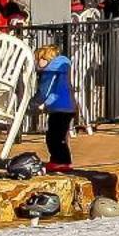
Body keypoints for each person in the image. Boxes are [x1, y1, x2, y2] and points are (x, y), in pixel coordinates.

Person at [36, 43, 75, 171]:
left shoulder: (50, 73)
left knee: (54, 137)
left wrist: (34, 103)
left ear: (47, 59)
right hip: (66, 107)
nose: (37, 62)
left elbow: (45, 91)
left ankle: (62, 160)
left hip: (60, 108)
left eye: (40, 59)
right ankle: (59, 159)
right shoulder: (61, 70)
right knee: (59, 135)